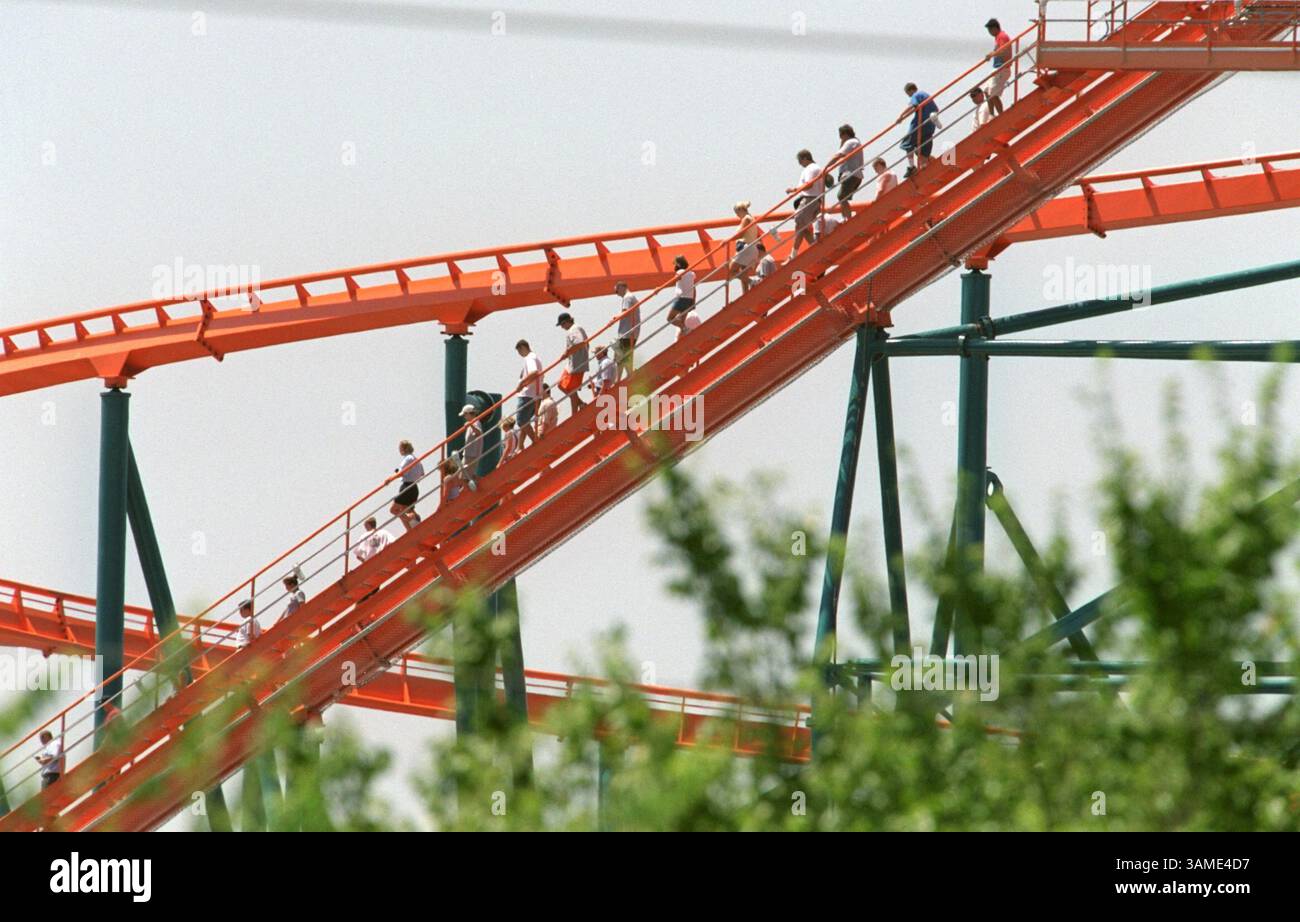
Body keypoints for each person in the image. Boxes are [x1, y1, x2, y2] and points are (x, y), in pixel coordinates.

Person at [785, 149, 825, 262]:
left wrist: (793, 190)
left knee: (799, 225)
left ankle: (793, 255)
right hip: (816, 200)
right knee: (804, 228)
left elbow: (808, 185)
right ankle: (815, 248)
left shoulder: (810, 169)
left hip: (809, 199)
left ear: (805, 158)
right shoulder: (817, 168)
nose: (800, 164)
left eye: (800, 161)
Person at [897, 83, 939, 177]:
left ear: (910, 90)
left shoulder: (916, 95)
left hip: (919, 125)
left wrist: (901, 117)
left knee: (906, 144)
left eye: (908, 93)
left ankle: (912, 167)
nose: (908, 96)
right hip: (930, 126)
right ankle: (929, 164)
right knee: (922, 150)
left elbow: (912, 106)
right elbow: (936, 109)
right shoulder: (926, 95)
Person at [556, 312, 589, 415]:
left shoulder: (573, 329)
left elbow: (579, 343)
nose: (562, 327)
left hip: (577, 364)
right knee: (561, 385)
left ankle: (574, 414)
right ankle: (580, 403)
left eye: (562, 325)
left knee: (571, 389)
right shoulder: (575, 328)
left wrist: (567, 353)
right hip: (573, 363)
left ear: (565, 322)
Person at [389, 439, 424, 531]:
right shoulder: (416, 459)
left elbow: (401, 472)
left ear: (404, 449)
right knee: (406, 510)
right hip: (414, 487)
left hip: (407, 486)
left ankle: (411, 519)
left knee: (393, 509)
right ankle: (411, 528)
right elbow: (422, 474)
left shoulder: (408, 458)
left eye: (400, 448)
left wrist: (389, 479)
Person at [515, 339, 544, 448]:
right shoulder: (534, 358)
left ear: (523, 347)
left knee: (521, 420)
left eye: (519, 351)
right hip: (534, 394)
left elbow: (534, 372)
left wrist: (521, 384)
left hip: (528, 394)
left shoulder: (530, 358)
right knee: (525, 421)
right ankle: (520, 445)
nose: (520, 354)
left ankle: (535, 440)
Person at [833, 124, 865, 220]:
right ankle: (846, 218)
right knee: (843, 198)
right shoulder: (855, 142)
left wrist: (826, 168)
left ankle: (847, 219)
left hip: (851, 174)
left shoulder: (851, 142)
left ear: (845, 134)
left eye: (841, 135)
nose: (840, 138)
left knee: (841, 197)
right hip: (855, 174)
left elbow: (838, 155)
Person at [729, 201, 761, 292]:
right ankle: (746, 295)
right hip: (750, 248)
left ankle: (753, 281)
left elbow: (740, 234)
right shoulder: (751, 218)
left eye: (737, 213)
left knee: (731, 271)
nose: (737, 215)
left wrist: (727, 240)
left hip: (745, 248)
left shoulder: (746, 219)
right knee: (744, 276)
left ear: (740, 210)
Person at [984, 18, 1013, 117]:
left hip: (1002, 68)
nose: (989, 32)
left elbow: (1003, 50)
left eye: (990, 30)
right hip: (997, 68)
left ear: (995, 28)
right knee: (987, 91)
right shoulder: (998, 37)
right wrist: (992, 54)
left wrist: (991, 55)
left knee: (993, 94)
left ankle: (1001, 116)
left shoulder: (1002, 36)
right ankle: (992, 115)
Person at [613, 281, 640, 373]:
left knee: (621, 357)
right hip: (630, 332)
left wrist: (614, 318)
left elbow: (626, 312)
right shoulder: (631, 297)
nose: (617, 294)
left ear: (621, 287)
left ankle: (624, 379)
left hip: (627, 333)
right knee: (621, 357)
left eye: (616, 291)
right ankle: (625, 378)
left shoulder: (627, 297)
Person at [457, 404, 482, 489]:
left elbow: (479, 433)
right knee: (465, 475)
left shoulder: (475, 423)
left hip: (471, 454)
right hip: (470, 453)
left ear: (469, 414)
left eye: (465, 415)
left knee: (463, 477)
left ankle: (464, 494)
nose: (464, 417)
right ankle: (476, 486)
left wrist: (470, 425)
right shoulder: (474, 423)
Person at [667, 255, 696, 325]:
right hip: (689, 299)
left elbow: (672, 282)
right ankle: (684, 330)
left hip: (681, 299)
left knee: (670, 318)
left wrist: (660, 288)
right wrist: (693, 302)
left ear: (679, 264)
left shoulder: (680, 272)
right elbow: (694, 289)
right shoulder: (692, 273)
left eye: (675, 264)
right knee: (682, 321)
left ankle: (684, 328)